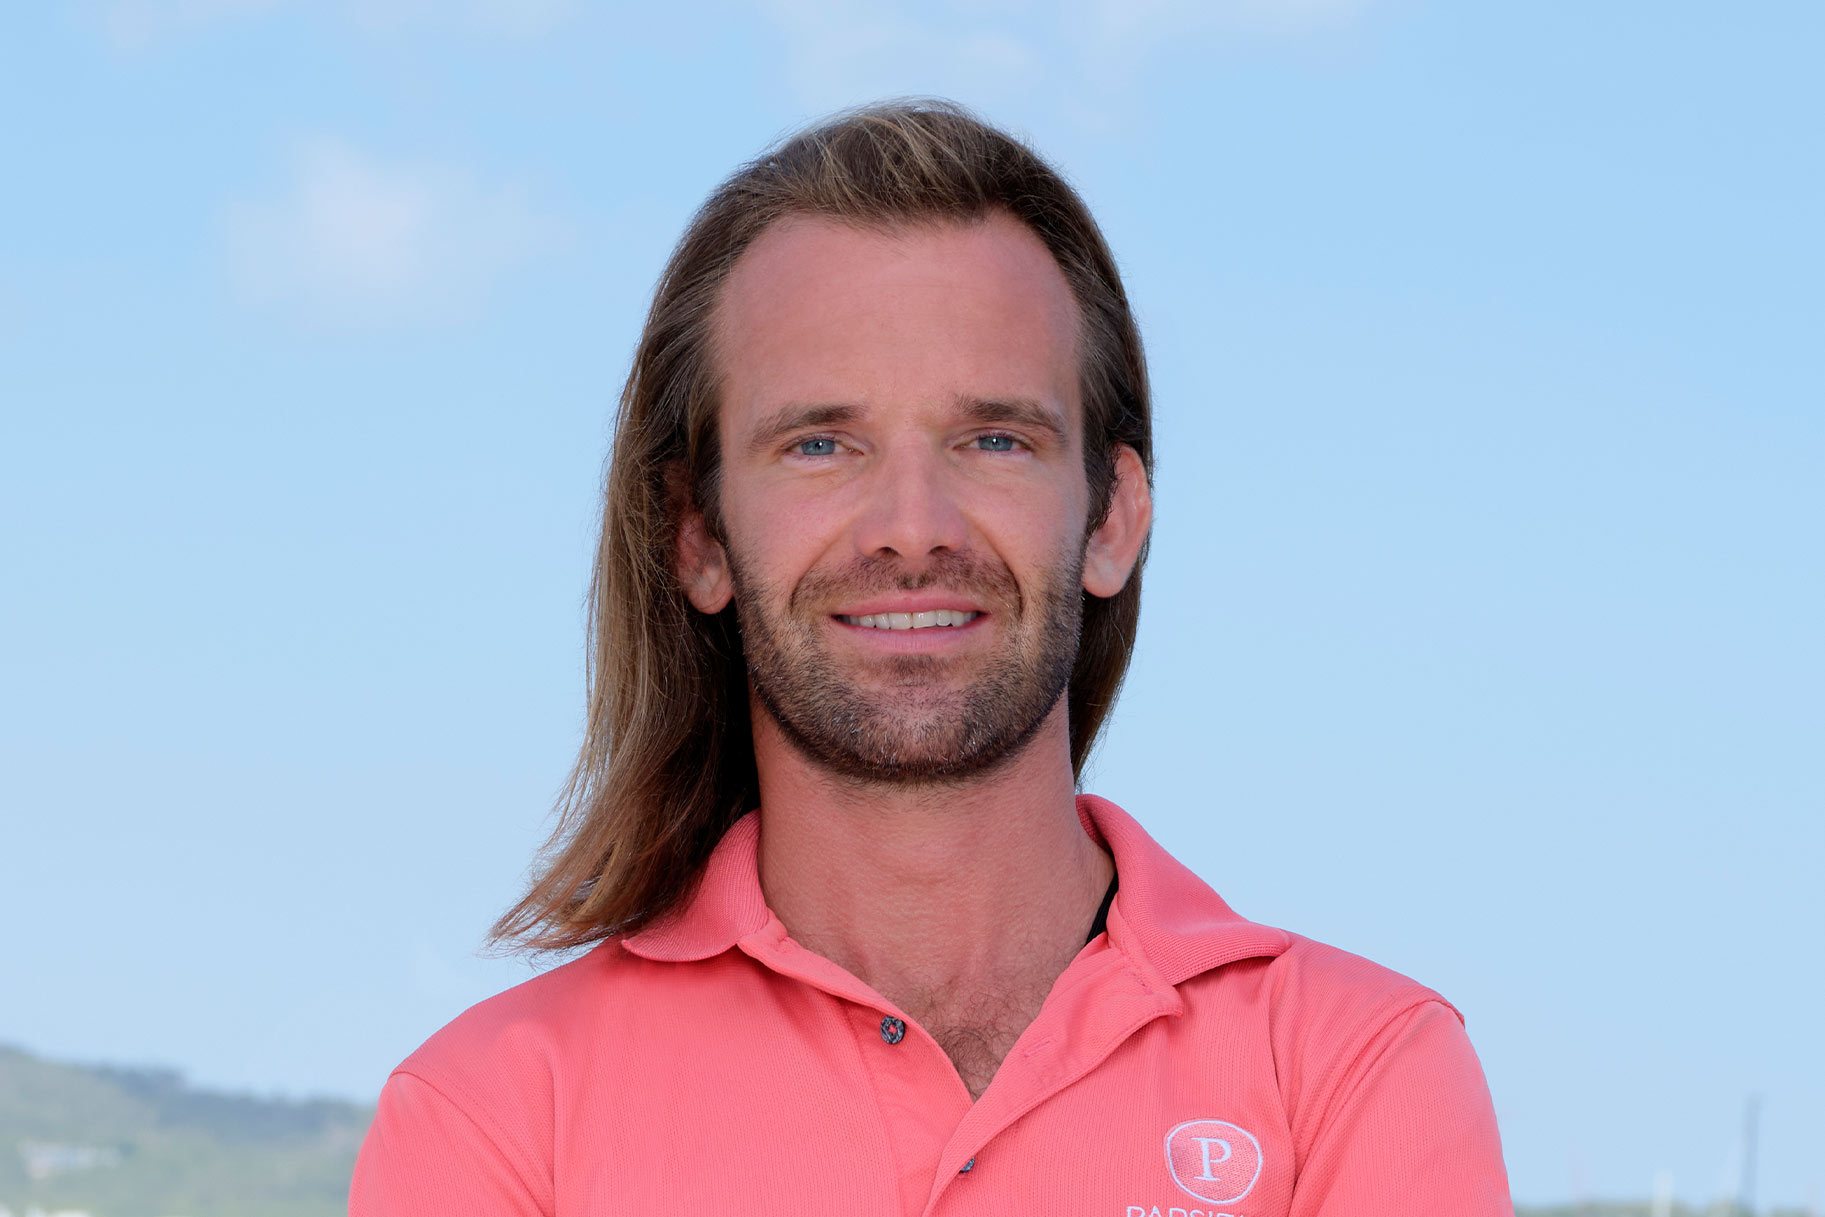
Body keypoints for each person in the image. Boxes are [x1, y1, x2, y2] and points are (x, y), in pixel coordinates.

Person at [350, 100, 1511, 1216]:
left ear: (1111, 517)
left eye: (993, 438)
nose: (913, 525)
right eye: (820, 443)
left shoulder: (1355, 1066)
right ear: (696, 535)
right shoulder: (492, 1117)